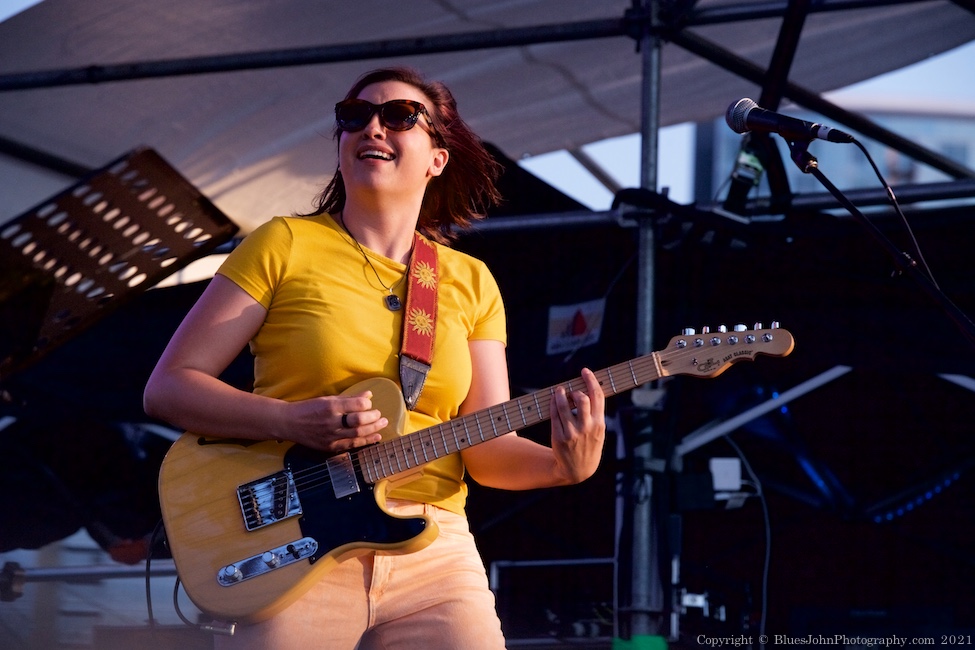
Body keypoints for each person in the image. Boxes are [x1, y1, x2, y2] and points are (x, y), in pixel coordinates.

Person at [143, 66, 606, 649]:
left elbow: (484, 448)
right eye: (354, 117)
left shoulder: (470, 281)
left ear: (438, 156)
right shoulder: (285, 243)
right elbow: (169, 387)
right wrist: (290, 420)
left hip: (435, 547)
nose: (373, 129)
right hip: (298, 538)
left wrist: (565, 466)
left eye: (399, 116)